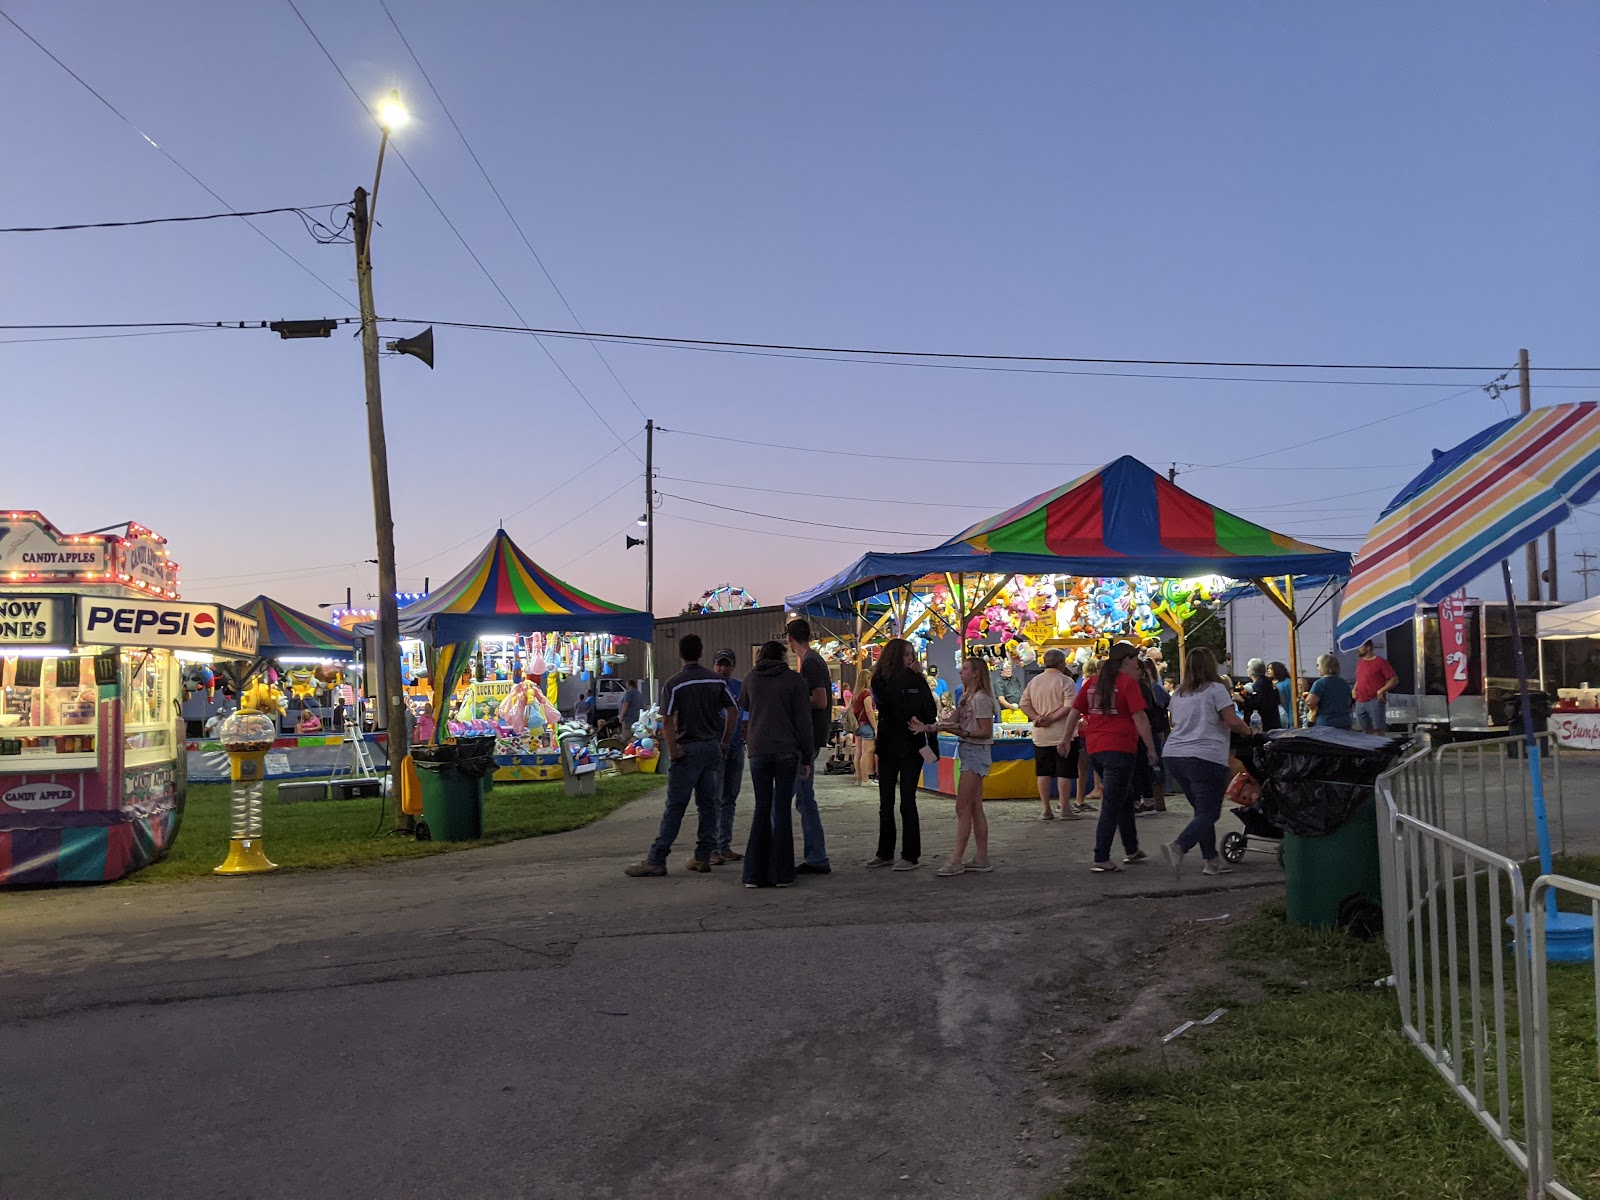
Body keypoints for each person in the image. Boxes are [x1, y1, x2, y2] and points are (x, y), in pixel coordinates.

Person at [625, 635, 737, 877]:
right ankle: (702, 856)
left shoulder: (674, 683)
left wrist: (673, 750)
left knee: (676, 806)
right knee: (709, 805)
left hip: (688, 748)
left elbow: (666, 719)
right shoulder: (715, 680)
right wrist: (725, 740)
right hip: (711, 747)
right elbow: (732, 710)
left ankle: (657, 858)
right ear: (701, 652)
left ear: (680, 654)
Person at [1059, 642, 1160, 873]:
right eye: (1135, 658)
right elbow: (1140, 718)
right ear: (1126, 660)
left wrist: (1066, 739)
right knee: (1112, 803)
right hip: (1120, 749)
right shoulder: (1128, 684)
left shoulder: (1093, 683)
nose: (1137, 662)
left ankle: (1132, 849)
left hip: (1095, 749)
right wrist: (1151, 748)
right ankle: (1101, 856)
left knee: (1124, 796)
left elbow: (1075, 711)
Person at [1159, 647, 1255, 877]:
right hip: (1205, 756)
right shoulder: (1216, 689)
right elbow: (1232, 721)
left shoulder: (1180, 692)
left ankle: (1211, 860)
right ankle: (1179, 846)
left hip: (1173, 755)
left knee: (1201, 812)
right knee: (1210, 813)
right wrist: (1250, 732)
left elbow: (1175, 722)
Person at [738, 641, 815, 889]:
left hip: (758, 749)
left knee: (762, 807)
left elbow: (744, 705)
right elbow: (803, 720)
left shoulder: (751, 678)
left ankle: (754, 874)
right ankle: (782, 873)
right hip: (786, 750)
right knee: (781, 809)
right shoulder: (794, 681)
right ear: (783, 657)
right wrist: (806, 755)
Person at [913, 656, 997, 876]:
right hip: (969, 750)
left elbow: (986, 731)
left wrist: (962, 732)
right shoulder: (967, 697)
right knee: (974, 807)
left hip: (976, 752)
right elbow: (952, 722)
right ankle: (981, 857)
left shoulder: (981, 698)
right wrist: (930, 727)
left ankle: (956, 858)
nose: (961, 671)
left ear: (975, 673)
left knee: (963, 807)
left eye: (966, 668)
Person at [867, 638, 936, 871]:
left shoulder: (917, 679)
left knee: (908, 801)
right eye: (906, 655)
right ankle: (884, 852)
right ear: (895, 656)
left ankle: (910, 855)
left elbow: (930, 710)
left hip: (911, 746)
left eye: (912, 654)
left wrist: (918, 679)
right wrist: (910, 677)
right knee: (885, 803)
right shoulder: (880, 680)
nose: (911, 659)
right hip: (887, 746)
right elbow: (889, 703)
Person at [786, 618, 833, 874]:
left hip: (810, 736)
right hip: (814, 735)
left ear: (790, 639)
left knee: (802, 799)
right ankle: (816, 856)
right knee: (803, 799)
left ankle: (817, 856)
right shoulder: (813, 661)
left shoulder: (811, 663)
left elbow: (820, 700)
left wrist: (795, 699)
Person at [1020, 647, 1080, 821]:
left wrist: (1037, 718)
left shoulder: (1034, 681)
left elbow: (1024, 704)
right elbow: (1069, 707)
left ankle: (1046, 809)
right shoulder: (1066, 681)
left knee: (1043, 773)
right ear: (1062, 662)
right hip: (1064, 735)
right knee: (1065, 773)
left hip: (1041, 736)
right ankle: (1065, 809)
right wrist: (1052, 718)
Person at [710, 649, 746, 866]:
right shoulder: (709, 687)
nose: (723, 669)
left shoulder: (739, 687)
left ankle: (725, 845)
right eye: (719, 664)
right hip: (716, 748)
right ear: (714, 665)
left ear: (733, 666)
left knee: (729, 798)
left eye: (727, 665)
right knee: (713, 798)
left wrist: (746, 729)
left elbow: (747, 709)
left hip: (735, 747)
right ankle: (712, 847)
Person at [1133, 657, 1170, 814]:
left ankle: (1147, 799)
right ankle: (1153, 799)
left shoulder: (1140, 687)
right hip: (1153, 729)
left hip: (1145, 730)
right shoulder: (1150, 686)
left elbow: (1143, 712)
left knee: (1143, 766)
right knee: (1150, 766)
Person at [1353, 639, 1398, 733]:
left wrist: (1381, 691)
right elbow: (1360, 678)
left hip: (1374, 700)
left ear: (1368, 648)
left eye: (1360, 647)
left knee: (1379, 730)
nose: (1357, 650)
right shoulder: (1360, 662)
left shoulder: (1380, 662)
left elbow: (1394, 679)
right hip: (1360, 701)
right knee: (1365, 731)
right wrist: (1354, 689)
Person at [1307, 654, 1354, 729]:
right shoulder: (1344, 683)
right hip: (1345, 722)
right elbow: (1348, 701)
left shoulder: (1320, 684)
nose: (1317, 668)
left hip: (1326, 723)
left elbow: (1310, 701)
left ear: (1324, 666)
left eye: (1318, 665)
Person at [849, 669, 877, 786]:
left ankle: (859, 778)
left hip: (857, 726)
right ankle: (866, 779)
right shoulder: (866, 694)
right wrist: (875, 728)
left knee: (858, 752)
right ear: (867, 679)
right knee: (867, 752)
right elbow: (869, 712)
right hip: (866, 725)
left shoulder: (856, 693)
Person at [1243, 658, 1282, 732]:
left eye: (1248, 667)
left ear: (1252, 670)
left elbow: (1258, 703)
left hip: (1264, 725)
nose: (1247, 669)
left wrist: (1242, 699)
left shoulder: (1260, 685)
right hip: (1273, 722)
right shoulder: (1268, 682)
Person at [1268, 661, 1294, 729]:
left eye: (1270, 669)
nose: (1268, 671)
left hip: (1286, 711)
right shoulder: (1267, 683)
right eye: (1267, 669)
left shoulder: (1288, 682)